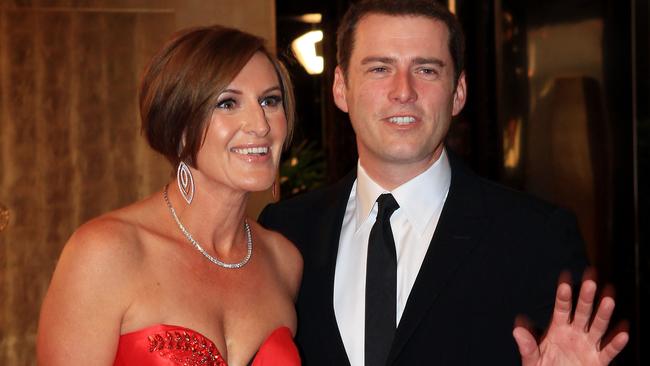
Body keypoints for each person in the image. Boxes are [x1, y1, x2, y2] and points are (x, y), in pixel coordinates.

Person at [258, 0, 628, 365]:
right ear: (341, 87)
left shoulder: (537, 237)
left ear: (458, 92)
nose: (403, 90)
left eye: (427, 70)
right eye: (380, 68)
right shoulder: (285, 233)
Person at [38, 25, 302, 366]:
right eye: (227, 103)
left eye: (270, 100)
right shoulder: (106, 253)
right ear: (177, 126)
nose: (261, 124)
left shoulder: (284, 262)